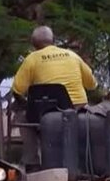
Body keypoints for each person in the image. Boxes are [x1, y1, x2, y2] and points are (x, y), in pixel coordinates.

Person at [10, 26, 98, 167]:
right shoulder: (73, 56)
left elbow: (17, 91)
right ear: (54, 41)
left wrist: (28, 106)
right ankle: (91, 160)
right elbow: (92, 85)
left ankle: (32, 161)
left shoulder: (31, 59)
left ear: (34, 44)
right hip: (77, 110)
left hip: (43, 115)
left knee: (22, 118)